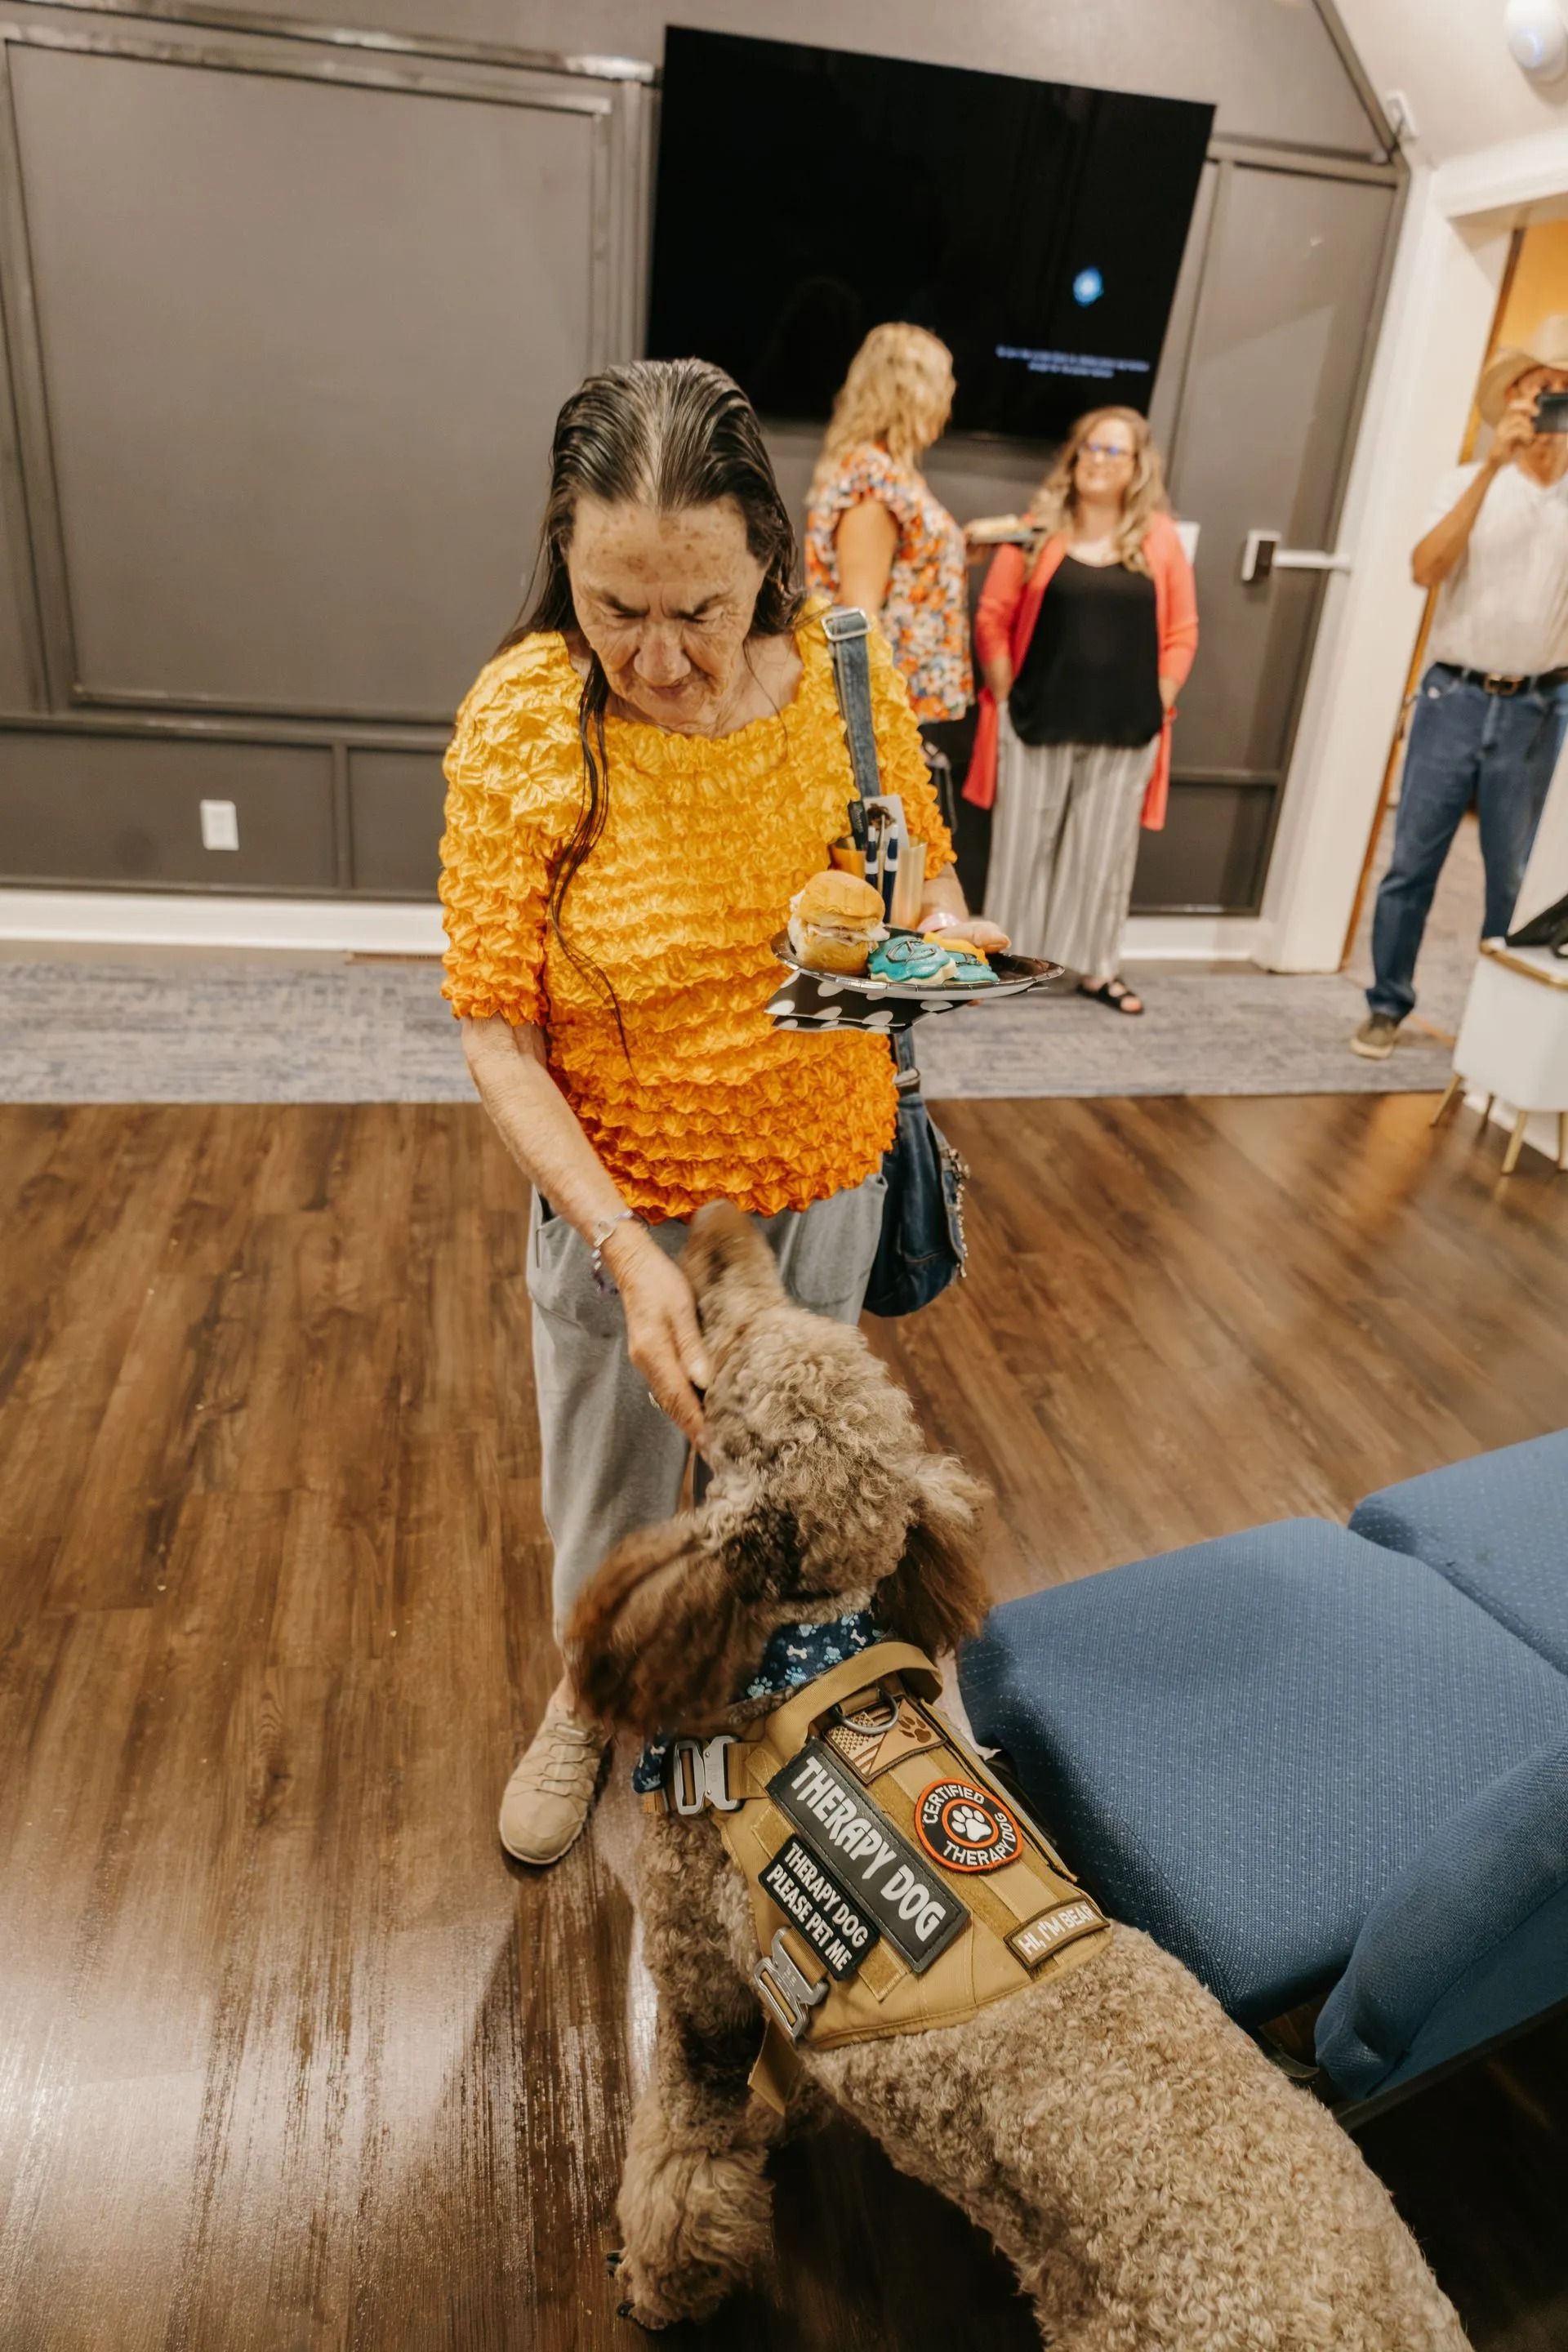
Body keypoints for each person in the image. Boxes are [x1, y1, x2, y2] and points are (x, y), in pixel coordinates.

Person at [439, 358, 1004, 1868]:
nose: (662, 654)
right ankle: (590, 1690)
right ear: (564, 547)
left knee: (780, 1480)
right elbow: (494, 1032)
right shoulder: (526, 721)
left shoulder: (848, 675)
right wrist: (626, 1254)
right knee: (611, 1483)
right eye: (617, 605)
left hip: (823, 1178)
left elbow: (928, 889)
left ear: (771, 550)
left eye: (699, 607)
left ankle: (756, 1686)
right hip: (619, 1205)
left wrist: (939, 950)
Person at [1354, 318, 1568, 1058]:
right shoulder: (1464, 480)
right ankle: (1387, 1004)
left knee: (1516, 878)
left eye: (1566, 391)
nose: (1552, 404)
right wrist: (1491, 467)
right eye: (1541, 388)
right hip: (1456, 697)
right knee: (1413, 860)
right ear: (1511, 397)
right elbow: (1426, 567)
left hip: (1543, 707)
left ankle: (1498, 1025)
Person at [962, 408, 1197, 1016]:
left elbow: (1182, 634)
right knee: (1022, 847)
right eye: (1089, 447)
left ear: (1137, 466)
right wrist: (1008, 695)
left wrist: (1158, 702)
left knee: (1104, 857)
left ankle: (1097, 970)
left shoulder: (1161, 540)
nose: (1096, 459)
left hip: (1126, 729)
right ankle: (1006, 963)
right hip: (1038, 716)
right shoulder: (1037, 530)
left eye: (1113, 451)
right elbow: (992, 618)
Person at [804, 323, 973, 753]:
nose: (949, 399)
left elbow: (901, 571)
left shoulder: (890, 473)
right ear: (914, 392)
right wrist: (874, 736)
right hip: (884, 715)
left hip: (902, 706)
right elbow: (859, 615)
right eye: (943, 385)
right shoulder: (873, 479)